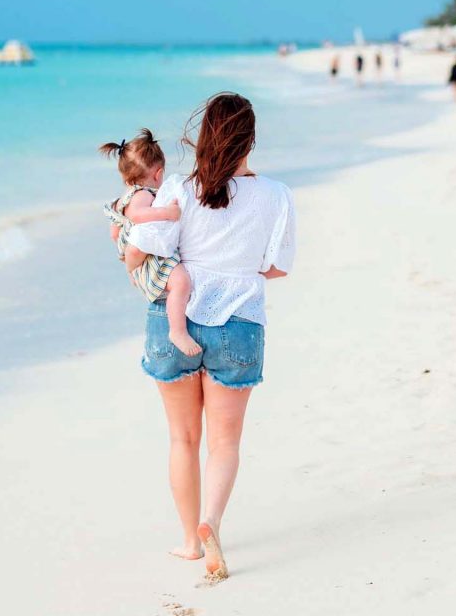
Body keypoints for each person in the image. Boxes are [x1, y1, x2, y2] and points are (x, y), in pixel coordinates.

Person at [124, 93, 295, 581]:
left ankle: (187, 542)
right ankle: (211, 522)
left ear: (204, 137)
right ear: (251, 139)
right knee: (224, 443)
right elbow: (278, 267)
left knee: (182, 438)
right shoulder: (277, 195)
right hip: (239, 323)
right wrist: (239, 270)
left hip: (173, 319)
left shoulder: (180, 187)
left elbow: (142, 250)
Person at [100, 130, 201, 357]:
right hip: (150, 256)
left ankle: (176, 327)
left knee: (178, 283)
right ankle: (177, 331)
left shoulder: (121, 200)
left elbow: (114, 232)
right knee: (182, 283)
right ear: (159, 174)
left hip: (136, 256)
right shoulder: (143, 194)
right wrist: (168, 212)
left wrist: (128, 261)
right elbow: (137, 215)